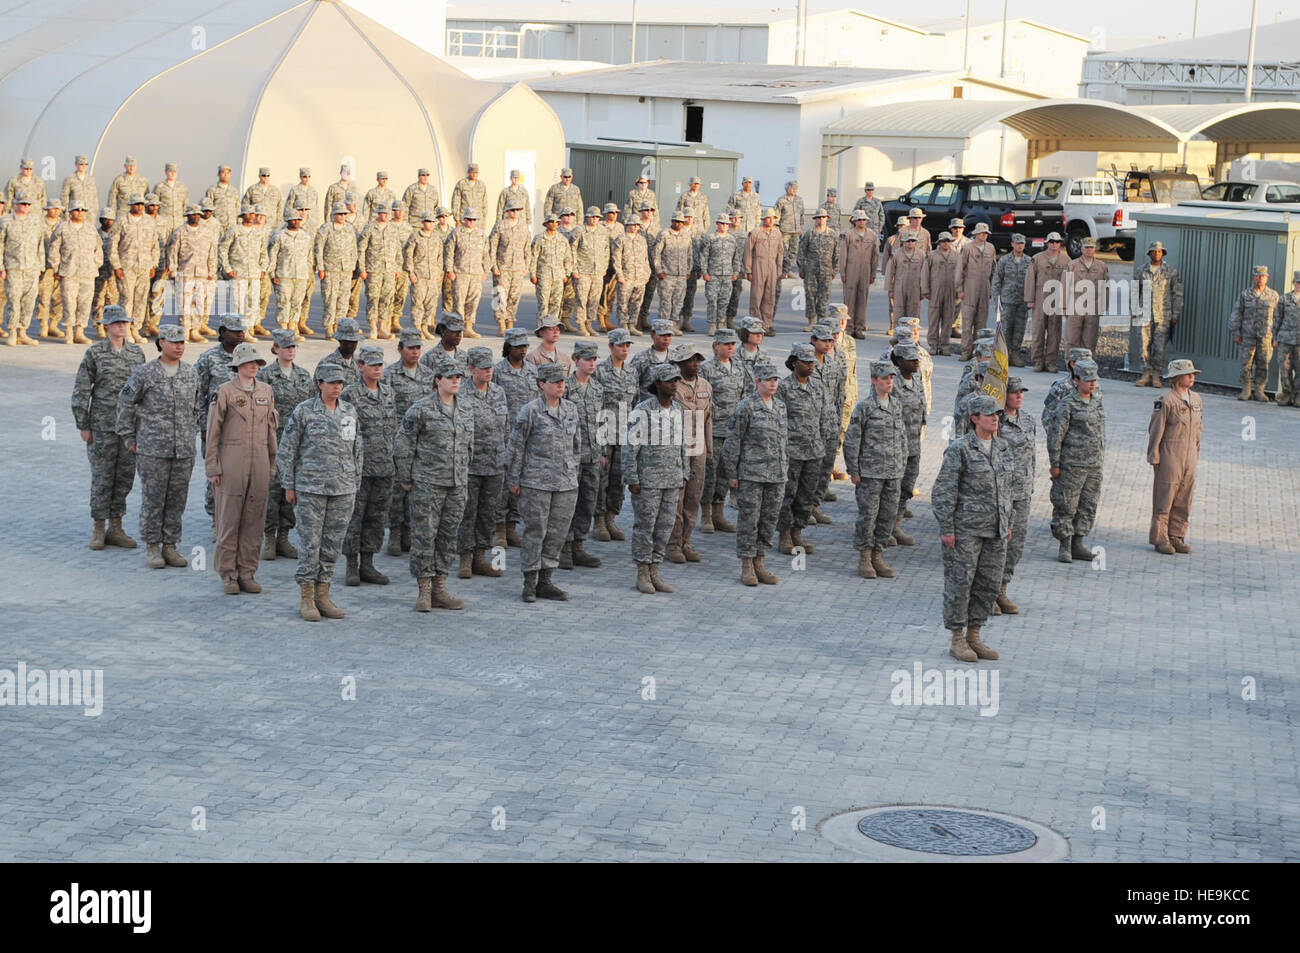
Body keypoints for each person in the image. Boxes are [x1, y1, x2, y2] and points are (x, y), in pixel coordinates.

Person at [277, 363, 362, 621]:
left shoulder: (349, 411)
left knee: (332, 544)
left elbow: (358, 449)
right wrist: (288, 485)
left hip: (342, 489)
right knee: (310, 544)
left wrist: (354, 482)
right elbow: (287, 450)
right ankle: (306, 597)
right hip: (310, 488)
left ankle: (323, 594)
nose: (337, 386)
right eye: (331, 382)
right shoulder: (304, 412)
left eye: (340, 383)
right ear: (319, 384)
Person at [932, 394, 1014, 663]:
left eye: (997, 414)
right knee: (960, 583)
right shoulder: (961, 449)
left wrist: (1008, 523)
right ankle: (957, 638)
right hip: (966, 530)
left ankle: (974, 635)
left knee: (987, 584)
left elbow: (1007, 489)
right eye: (989, 414)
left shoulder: (1003, 448)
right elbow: (944, 490)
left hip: (996, 530)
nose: (995, 418)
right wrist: (947, 528)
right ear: (974, 418)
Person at [116, 324, 200, 569]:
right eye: (175, 342)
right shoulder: (145, 372)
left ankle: (170, 545)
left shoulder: (190, 373)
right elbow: (125, 403)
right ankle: (152, 545)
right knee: (154, 499)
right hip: (153, 449)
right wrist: (129, 438)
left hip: (183, 450)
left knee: (177, 499)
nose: (180, 346)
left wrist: (191, 431)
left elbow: (197, 407)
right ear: (161, 342)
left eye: (182, 342)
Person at [394, 355, 473, 611]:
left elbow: (469, 446)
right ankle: (424, 590)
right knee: (424, 537)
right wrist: (406, 478)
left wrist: (463, 473)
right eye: (450, 377)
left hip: (456, 484)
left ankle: (440, 587)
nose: (455, 381)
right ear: (437, 380)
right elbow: (402, 445)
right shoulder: (421, 409)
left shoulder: (465, 408)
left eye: (458, 377)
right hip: (428, 484)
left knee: (448, 537)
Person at [204, 342, 277, 594]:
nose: (253, 367)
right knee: (229, 521)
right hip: (232, 461)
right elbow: (212, 432)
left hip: (259, 461)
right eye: (248, 363)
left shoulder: (266, 391)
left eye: (256, 363)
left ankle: (247, 572)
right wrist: (212, 467)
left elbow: (270, 431)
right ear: (237, 366)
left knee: (254, 522)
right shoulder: (224, 391)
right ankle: (228, 574)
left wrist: (272, 463)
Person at [506, 362, 582, 603]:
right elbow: (516, 446)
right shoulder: (530, 411)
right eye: (555, 382)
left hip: (565, 484)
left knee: (557, 533)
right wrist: (514, 479)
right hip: (535, 482)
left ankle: (546, 580)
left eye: (562, 381)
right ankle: (529, 581)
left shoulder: (571, 409)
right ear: (542, 385)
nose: (561, 385)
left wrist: (573, 474)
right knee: (535, 532)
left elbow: (577, 445)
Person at [72, 304, 145, 550]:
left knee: (124, 477)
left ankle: (116, 527)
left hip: (128, 428)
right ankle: (98, 528)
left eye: (124, 323)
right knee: (102, 477)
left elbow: (143, 391)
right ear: (106, 327)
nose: (122, 326)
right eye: (116, 323)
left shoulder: (137, 353)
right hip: (102, 426)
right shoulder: (95, 353)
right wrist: (83, 424)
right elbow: (82, 389)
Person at [623, 364, 689, 594]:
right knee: (645, 527)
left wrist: (684, 473)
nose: (674, 384)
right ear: (657, 383)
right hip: (648, 480)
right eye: (669, 380)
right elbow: (630, 447)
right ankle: (642, 571)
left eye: (676, 380)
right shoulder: (642, 410)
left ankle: (655, 571)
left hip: (672, 479)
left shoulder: (679, 410)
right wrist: (632, 477)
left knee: (664, 527)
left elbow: (682, 443)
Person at [843, 360, 908, 580]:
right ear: (874, 380)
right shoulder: (865, 407)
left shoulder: (896, 405)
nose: (889, 382)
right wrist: (853, 470)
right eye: (885, 378)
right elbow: (852, 440)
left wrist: (902, 467)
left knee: (887, 516)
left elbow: (902, 438)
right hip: (870, 472)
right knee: (868, 516)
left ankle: (879, 555)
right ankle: (865, 556)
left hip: (893, 472)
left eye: (891, 378)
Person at [339, 345, 398, 587]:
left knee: (376, 517)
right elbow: (345, 434)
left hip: (384, 468)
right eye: (372, 364)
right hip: (360, 469)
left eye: (380, 364)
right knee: (355, 517)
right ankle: (352, 565)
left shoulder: (389, 393)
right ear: (360, 366)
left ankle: (368, 563)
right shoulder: (350, 395)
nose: (377, 369)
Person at [723, 361, 786, 586]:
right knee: (749, 520)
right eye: (768, 379)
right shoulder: (746, 407)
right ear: (757, 382)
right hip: (751, 474)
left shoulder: (780, 406)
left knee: (769, 520)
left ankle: (761, 561)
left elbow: (782, 440)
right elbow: (733, 441)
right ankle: (747, 564)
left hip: (776, 475)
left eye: (775, 379)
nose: (773, 383)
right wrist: (732, 474)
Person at [257, 328, 313, 561]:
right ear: (275, 349)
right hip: (272, 441)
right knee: (271, 491)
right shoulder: (265, 376)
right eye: (285, 346)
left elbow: (311, 406)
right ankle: (269, 537)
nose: (290, 350)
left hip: (297, 443)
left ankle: (284, 537)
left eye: (293, 347)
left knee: (291, 491)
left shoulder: (302, 375)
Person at [383, 329, 437, 555]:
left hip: (423, 441)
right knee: (397, 489)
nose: (415, 352)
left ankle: (411, 532)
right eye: (410, 348)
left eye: (418, 348)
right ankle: (395, 533)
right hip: (398, 439)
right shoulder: (389, 375)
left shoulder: (428, 374)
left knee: (418, 489)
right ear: (400, 349)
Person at [457, 346, 508, 579]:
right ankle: (465, 559)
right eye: (483, 368)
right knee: (468, 513)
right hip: (470, 465)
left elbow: (505, 426)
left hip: (495, 464)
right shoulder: (461, 394)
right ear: (471, 369)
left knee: (488, 513)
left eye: (490, 367)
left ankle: (481, 557)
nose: (489, 371)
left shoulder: (498, 392)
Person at [1047, 359, 1106, 564]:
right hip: (1071, 464)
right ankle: (1065, 544)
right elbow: (1056, 435)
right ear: (1076, 380)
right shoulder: (1067, 404)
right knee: (1066, 505)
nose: (1092, 384)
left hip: (1093, 464)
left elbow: (1100, 432)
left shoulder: (1097, 401)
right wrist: (1055, 463)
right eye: (1088, 380)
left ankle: (1078, 543)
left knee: (1088, 504)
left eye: (1095, 380)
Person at [776, 343, 828, 556]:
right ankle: (785, 534)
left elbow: (825, 417)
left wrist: (826, 442)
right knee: (788, 494)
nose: (811, 366)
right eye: (806, 362)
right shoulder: (784, 388)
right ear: (795, 363)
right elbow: (777, 420)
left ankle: (798, 531)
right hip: (792, 451)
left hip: (814, 451)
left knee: (806, 496)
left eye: (812, 362)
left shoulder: (818, 387)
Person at [1148, 359, 1203, 555]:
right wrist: (1154, 453)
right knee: (1165, 497)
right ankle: (1160, 538)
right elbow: (1156, 429)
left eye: (1193, 374)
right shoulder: (1166, 400)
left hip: (1189, 455)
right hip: (1171, 453)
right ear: (1177, 378)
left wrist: (1197, 450)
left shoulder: (1196, 399)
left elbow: (1198, 427)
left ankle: (1177, 536)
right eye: (1188, 374)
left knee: (1184, 497)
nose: (1192, 377)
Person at [666, 343, 712, 563]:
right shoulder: (672, 386)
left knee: (693, 497)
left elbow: (708, 419)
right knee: (677, 499)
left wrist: (708, 448)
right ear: (679, 363)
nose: (695, 364)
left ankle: (686, 541)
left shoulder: (705, 385)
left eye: (697, 360)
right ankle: (672, 544)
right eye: (690, 360)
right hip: (677, 449)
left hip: (698, 450)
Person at [562, 340, 606, 570]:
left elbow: (602, 422)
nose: (591, 363)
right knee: (568, 503)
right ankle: (564, 547)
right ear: (575, 360)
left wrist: (603, 451)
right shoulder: (565, 388)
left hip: (593, 456)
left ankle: (579, 545)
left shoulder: (598, 388)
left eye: (594, 359)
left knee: (587, 502)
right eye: (587, 359)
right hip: (571, 456)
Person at [494, 328, 538, 548]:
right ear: (508, 347)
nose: (522, 350)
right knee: (504, 484)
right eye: (518, 346)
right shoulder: (497, 372)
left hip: (528, 437)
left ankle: (512, 526)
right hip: (505, 436)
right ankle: (499, 528)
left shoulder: (533, 371)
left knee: (519, 484)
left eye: (525, 346)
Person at [995, 377, 1035, 614]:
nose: (1019, 395)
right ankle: (988, 593)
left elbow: (1032, 454)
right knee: (997, 545)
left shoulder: (1028, 420)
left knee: (1016, 545)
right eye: (1014, 392)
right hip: (1001, 493)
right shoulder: (995, 422)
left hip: (1022, 492)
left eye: (1021, 391)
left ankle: (1002, 589)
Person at [699, 327, 745, 534]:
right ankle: (706, 514)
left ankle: (719, 513)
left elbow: (745, 398)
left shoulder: (740, 368)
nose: (730, 347)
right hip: (713, 430)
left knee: (726, 474)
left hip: (732, 431)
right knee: (709, 473)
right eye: (726, 344)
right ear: (715, 346)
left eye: (733, 344)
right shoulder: (706, 369)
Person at [47, 199, 103, 344]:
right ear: (70, 212)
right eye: (77, 210)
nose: (80, 213)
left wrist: (95, 265)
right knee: (69, 302)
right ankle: (69, 332)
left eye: (83, 210)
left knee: (85, 303)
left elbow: (98, 249)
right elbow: (54, 249)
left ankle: (80, 332)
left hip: (88, 272)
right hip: (69, 271)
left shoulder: (91, 229)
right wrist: (56, 267)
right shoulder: (62, 228)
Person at [1131, 240, 1184, 388]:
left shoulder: (1170, 272)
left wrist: (1175, 314)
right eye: (1154, 251)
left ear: (1163, 253)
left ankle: (1156, 374)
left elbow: (1177, 294)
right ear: (1149, 253)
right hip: (1144, 315)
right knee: (1144, 345)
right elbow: (1135, 292)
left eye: (1159, 251)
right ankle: (1146, 373)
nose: (1156, 254)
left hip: (1163, 316)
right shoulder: (1141, 271)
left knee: (1159, 347)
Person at [888, 343, 926, 547]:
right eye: (911, 359)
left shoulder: (917, 380)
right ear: (900, 361)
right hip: (895, 446)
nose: (916, 362)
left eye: (917, 358)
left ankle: (896, 525)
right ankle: (883, 529)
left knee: (906, 488)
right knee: (891, 489)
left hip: (913, 445)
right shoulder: (891, 383)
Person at [110, 195, 158, 344]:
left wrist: (153, 264)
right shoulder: (122, 220)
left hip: (144, 266)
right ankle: (124, 330)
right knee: (126, 299)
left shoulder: (149, 221)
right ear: (130, 205)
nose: (139, 206)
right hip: (126, 267)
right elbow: (112, 245)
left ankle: (135, 329)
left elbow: (155, 244)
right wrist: (116, 265)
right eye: (136, 204)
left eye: (141, 204)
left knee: (141, 299)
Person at [1228, 264, 1280, 401]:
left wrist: (1276, 337)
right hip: (1247, 335)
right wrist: (1236, 333)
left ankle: (1259, 391)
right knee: (1246, 363)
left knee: (1263, 364)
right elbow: (1237, 313)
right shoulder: (1245, 294)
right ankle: (1246, 390)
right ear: (1252, 278)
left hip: (1266, 336)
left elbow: (1278, 317)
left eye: (1263, 276)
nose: (1260, 279)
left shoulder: (1273, 295)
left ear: (1267, 278)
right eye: (1257, 276)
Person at [1, 193, 43, 347]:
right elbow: (0, 245)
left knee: (29, 300)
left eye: (28, 204)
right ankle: (12, 332)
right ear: (16, 204)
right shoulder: (6, 220)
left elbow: (40, 244)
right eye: (23, 204)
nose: (26, 207)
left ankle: (22, 332)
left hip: (32, 267)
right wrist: (1, 267)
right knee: (14, 299)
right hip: (13, 266)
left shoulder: (35, 221)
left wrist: (40, 266)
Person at [315, 202, 359, 340]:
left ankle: (338, 327)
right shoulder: (326, 228)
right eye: (339, 214)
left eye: (344, 214)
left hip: (345, 269)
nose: (342, 216)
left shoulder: (350, 229)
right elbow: (318, 249)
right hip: (330, 269)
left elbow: (353, 249)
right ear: (333, 214)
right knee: (330, 299)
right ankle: (329, 328)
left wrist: (352, 266)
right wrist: (320, 267)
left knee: (343, 300)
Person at [1026, 231, 1069, 372]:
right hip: (1040, 297)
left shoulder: (1066, 260)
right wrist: (1030, 299)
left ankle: (1051, 361)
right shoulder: (1037, 259)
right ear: (1047, 243)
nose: (1054, 245)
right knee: (1038, 330)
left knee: (1054, 331)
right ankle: (1038, 361)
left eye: (1057, 242)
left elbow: (1070, 283)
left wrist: (1066, 303)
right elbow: (1030, 279)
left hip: (1057, 299)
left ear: (1060, 243)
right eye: (1051, 242)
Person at [268, 208, 313, 341]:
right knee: (283, 302)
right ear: (287, 220)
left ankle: (293, 329)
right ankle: (283, 329)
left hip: (301, 275)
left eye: (298, 219)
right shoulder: (279, 236)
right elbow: (273, 256)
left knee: (297, 302)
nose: (295, 222)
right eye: (292, 219)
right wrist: (272, 274)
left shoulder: (305, 236)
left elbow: (309, 256)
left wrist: (309, 272)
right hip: (284, 274)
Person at [357, 202, 400, 340]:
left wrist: (397, 267)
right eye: (383, 213)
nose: (386, 215)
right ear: (378, 213)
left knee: (386, 298)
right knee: (373, 298)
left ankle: (383, 327)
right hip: (373, 269)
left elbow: (398, 249)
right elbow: (361, 249)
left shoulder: (393, 229)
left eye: (388, 213)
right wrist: (362, 268)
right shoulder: (369, 228)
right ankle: (373, 328)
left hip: (389, 269)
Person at [445, 207, 489, 338]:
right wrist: (449, 270)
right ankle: (458, 328)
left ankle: (468, 327)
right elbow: (449, 252)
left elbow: (486, 254)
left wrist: (485, 270)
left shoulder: (481, 235)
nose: (471, 222)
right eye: (469, 219)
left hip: (476, 273)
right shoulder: (456, 233)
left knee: (473, 301)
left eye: (473, 219)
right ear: (464, 219)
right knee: (459, 301)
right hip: (460, 272)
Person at [954, 222, 996, 361]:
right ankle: (966, 351)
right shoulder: (968, 248)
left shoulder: (991, 248)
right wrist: (960, 289)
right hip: (970, 286)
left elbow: (994, 270)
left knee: (981, 322)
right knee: (967, 322)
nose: (984, 235)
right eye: (981, 233)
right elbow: (960, 269)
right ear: (976, 234)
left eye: (986, 233)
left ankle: (979, 353)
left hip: (984, 287)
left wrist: (992, 288)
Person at [489, 199, 530, 335]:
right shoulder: (500, 225)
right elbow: (492, 247)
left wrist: (526, 266)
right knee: (499, 295)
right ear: (507, 211)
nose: (515, 212)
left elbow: (527, 248)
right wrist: (493, 266)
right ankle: (501, 322)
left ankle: (510, 321)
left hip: (518, 267)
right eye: (512, 210)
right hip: (503, 266)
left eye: (518, 210)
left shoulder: (524, 227)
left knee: (514, 296)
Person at [991, 233, 1031, 366]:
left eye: (1022, 244)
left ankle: (1015, 354)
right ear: (1012, 244)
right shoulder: (1004, 260)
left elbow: (1032, 281)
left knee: (1019, 328)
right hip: (1007, 300)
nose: (1019, 246)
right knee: (1005, 329)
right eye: (1017, 243)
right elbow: (997, 279)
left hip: (1022, 301)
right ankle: (1003, 355)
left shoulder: (1029, 261)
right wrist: (996, 299)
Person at [838, 209, 879, 339]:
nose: (862, 222)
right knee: (849, 299)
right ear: (854, 221)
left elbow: (875, 255)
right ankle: (849, 328)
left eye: (864, 219)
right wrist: (843, 272)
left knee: (862, 299)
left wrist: (873, 273)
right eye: (859, 219)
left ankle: (859, 327)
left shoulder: (872, 235)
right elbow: (843, 254)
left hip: (865, 269)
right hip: (851, 269)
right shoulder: (848, 235)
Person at [570, 207, 611, 338]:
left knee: (594, 299)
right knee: (582, 298)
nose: (594, 219)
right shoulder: (579, 231)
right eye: (592, 217)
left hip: (598, 271)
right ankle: (581, 324)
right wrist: (574, 269)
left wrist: (604, 267)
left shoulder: (603, 231)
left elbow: (606, 250)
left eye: (597, 217)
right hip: (582, 270)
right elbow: (572, 250)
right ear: (587, 217)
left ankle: (589, 323)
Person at [1064, 236, 1109, 354]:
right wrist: (1064, 306)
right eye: (1086, 247)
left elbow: (1106, 287)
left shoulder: (1102, 266)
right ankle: (1072, 367)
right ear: (1081, 248)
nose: (1089, 250)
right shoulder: (1072, 265)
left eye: (1091, 247)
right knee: (1072, 339)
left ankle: (1087, 367)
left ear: (1095, 249)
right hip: (1074, 306)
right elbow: (1065, 286)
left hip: (1093, 307)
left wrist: (1103, 306)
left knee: (1090, 340)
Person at [744, 208, 783, 335]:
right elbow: (748, 252)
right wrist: (748, 270)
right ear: (763, 219)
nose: (771, 220)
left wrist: (779, 269)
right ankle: (755, 323)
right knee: (757, 295)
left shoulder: (777, 233)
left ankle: (767, 324)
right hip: (758, 264)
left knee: (769, 296)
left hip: (771, 265)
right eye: (768, 218)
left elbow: (780, 252)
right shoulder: (755, 232)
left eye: (773, 218)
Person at [797, 208, 838, 329]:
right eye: (818, 217)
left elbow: (837, 254)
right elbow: (801, 252)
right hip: (811, 271)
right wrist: (802, 269)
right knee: (810, 296)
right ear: (815, 219)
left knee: (824, 296)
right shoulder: (809, 233)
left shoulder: (832, 234)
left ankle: (821, 320)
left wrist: (835, 270)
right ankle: (811, 321)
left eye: (823, 217)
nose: (821, 220)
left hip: (826, 271)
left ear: (827, 219)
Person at [921, 231, 959, 355]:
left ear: (951, 242)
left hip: (951, 291)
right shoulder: (932, 255)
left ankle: (945, 345)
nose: (945, 243)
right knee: (934, 319)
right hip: (936, 290)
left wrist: (960, 290)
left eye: (948, 241)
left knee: (948, 319)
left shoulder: (957, 256)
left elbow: (961, 275)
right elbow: (925, 273)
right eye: (943, 241)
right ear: (939, 242)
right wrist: (925, 289)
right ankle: (933, 344)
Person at [699, 213, 738, 335]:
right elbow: (703, 256)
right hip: (713, 275)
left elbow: (736, 257)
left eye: (726, 224)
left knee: (724, 300)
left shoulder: (732, 239)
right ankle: (712, 325)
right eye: (722, 223)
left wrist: (735, 271)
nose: (724, 226)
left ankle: (721, 324)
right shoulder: (710, 238)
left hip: (727, 275)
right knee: (712, 300)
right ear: (717, 224)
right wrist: (704, 272)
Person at [654, 211, 693, 331]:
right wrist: (659, 270)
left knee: (678, 302)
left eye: (681, 222)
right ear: (672, 221)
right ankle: (664, 325)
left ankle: (674, 324)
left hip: (681, 275)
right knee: (666, 301)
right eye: (676, 221)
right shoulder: (664, 234)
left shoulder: (686, 235)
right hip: (667, 274)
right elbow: (656, 254)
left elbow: (689, 254)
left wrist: (688, 270)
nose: (679, 224)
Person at [611, 214, 649, 334]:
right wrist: (619, 275)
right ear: (627, 225)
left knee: (636, 302)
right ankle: (623, 324)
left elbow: (646, 258)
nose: (634, 227)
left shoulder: (642, 240)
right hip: (626, 276)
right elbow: (616, 259)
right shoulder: (621, 239)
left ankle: (632, 325)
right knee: (623, 302)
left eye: (637, 225)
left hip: (640, 277)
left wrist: (647, 274)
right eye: (632, 224)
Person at [885, 235, 923, 334]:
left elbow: (925, 274)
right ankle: (898, 335)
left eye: (913, 240)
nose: (910, 242)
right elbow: (890, 272)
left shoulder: (921, 255)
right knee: (898, 311)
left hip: (915, 288)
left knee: (914, 312)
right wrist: (890, 289)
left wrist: (924, 290)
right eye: (908, 241)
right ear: (903, 242)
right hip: (899, 287)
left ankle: (913, 336)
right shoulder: (896, 254)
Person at [1276, 271, 1300, 407]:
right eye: (1297, 282)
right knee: (1284, 368)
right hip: (1285, 339)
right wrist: (1275, 336)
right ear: (1293, 283)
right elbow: (1278, 318)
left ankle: (1298, 395)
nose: (1299, 285)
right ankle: (1287, 394)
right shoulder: (1284, 299)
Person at [315, 317, 362, 387]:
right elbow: (317, 390)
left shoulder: (361, 362)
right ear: (340, 340)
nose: (352, 345)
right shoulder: (327, 363)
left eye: (355, 341)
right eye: (348, 341)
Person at [774, 181, 803, 277]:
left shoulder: (799, 200)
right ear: (787, 189)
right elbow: (776, 215)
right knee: (783, 251)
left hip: (796, 230)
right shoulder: (781, 200)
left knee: (794, 251)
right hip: (784, 230)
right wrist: (777, 228)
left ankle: (788, 270)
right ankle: (782, 270)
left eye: (796, 188)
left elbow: (801, 215)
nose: (795, 190)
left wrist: (801, 227)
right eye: (792, 188)